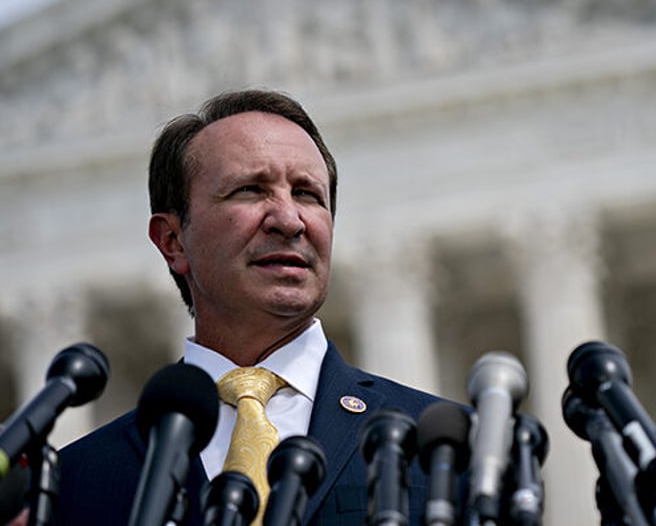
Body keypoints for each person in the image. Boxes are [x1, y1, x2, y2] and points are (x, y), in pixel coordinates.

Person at [54, 89, 461, 525]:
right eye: (250, 190)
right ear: (173, 241)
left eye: (307, 194)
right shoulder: (76, 482)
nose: (289, 220)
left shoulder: (447, 448)